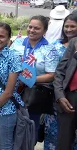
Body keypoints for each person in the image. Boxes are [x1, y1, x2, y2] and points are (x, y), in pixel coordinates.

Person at [10, 15, 59, 145]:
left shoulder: (49, 49)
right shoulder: (18, 43)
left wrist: (28, 79)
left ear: (44, 31)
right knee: (11, 128)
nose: (32, 30)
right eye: (30, 27)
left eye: (36, 28)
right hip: (12, 92)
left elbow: (51, 75)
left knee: (30, 129)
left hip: (34, 95)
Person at [0, 23, 24, 150]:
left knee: (6, 146)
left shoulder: (13, 57)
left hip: (6, 109)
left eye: (1, 36)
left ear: (8, 38)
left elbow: (9, 92)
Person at [44, 13, 77, 149]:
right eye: (66, 26)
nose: (68, 29)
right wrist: (60, 96)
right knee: (64, 142)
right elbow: (59, 72)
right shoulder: (74, 43)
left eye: (72, 26)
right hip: (69, 98)